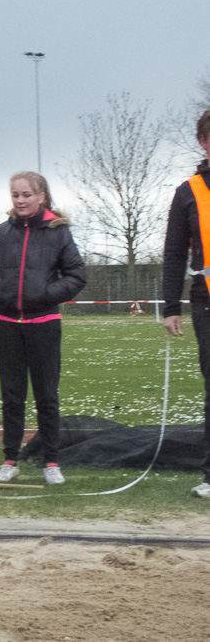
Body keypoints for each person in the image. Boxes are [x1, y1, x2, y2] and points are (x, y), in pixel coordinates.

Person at [0, 171, 86, 484]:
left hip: (44, 325)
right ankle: (10, 459)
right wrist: (0, 294)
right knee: (12, 396)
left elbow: (76, 276)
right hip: (7, 325)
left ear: (41, 196)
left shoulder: (59, 232)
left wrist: (44, 296)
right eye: (15, 195)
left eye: (26, 194)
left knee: (47, 396)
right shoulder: (1, 233)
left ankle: (51, 462)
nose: (20, 200)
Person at [163, 108, 210, 499]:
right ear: (203, 143)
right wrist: (170, 306)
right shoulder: (187, 193)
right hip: (205, 300)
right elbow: (175, 253)